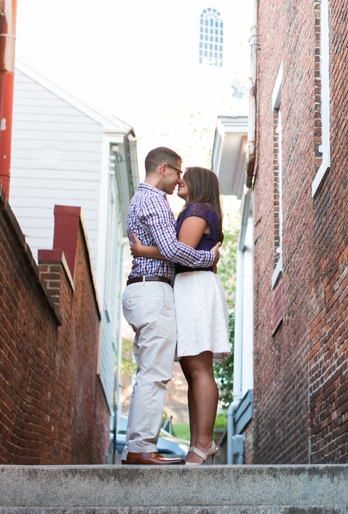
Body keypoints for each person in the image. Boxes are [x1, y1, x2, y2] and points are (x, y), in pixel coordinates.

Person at [122, 147, 220, 466]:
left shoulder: (152, 200)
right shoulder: (154, 200)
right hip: (152, 290)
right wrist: (211, 257)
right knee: (155, 372)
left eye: (184, 175)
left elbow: (170, 249)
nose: (179, 178)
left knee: (157, 370)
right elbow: (173, 250)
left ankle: (145, 446)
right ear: (163, 169)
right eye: (178, 171)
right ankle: (140, 448)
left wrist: (144, 251)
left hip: (152, 289)